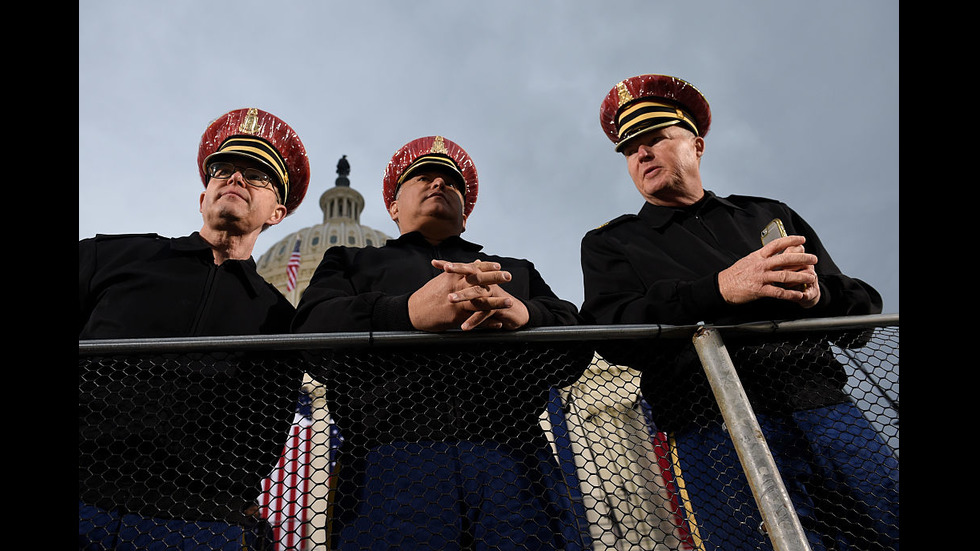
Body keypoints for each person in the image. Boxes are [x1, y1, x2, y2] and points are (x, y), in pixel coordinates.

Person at [580, 75, 899, 551]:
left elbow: (861, 310)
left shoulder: (767, 214)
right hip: (710, 427)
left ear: (696, 144)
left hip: (823, 408)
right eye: (630, 150)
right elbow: (611, 332)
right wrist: (720, 289)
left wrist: (818, 297)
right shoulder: (612, 243)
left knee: (888, 529)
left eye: (655, 139)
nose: (642, 155)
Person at [293, 136, 590, 550]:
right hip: (390, 457)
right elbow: (308, 332)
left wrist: (526, 316)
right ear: (393, 208)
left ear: (465, 216)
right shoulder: (351, 261)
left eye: (451, 182)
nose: (439, 184)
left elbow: (576, 348)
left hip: (513, 459)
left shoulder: (514, 273)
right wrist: (407, 312)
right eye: (422, 177)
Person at [79, 107, 311, 550]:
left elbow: (266, 433)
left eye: (257, 176)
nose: (236, 178)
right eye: (223, 169)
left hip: (193, 521)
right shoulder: (110, 257)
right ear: (203, 197)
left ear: (276, 213)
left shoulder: (281, 320)